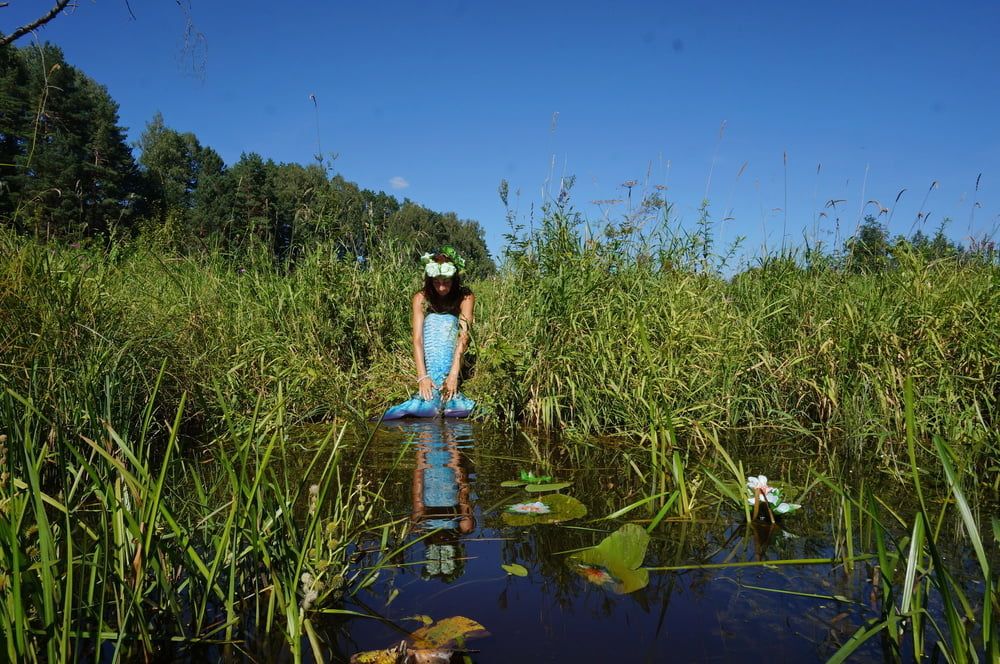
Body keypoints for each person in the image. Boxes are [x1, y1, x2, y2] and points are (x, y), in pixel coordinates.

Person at [380, 246, 475, 419]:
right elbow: (417, 340)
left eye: (446, 282)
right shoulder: (421, 297)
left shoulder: (465, 297)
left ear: (455, 280)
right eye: (436, 282)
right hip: (430, 362)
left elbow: (464, 336)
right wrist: (422, 377)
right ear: (430, 280)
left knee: (448, 321)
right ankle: (433, 389)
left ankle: (449, 388)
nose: (441, 287)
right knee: (432, 320)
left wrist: (454, 375)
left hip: (453, 358)